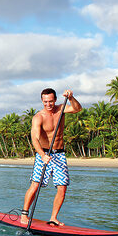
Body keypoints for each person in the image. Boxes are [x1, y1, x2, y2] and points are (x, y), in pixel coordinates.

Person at [21, 89, 82, 227]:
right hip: (43, 154)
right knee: (35, 185)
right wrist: (42, 156)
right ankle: (24, 214)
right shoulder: (38, 117)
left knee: (62, 188)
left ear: (55, 100)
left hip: (59, 154)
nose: (48, 104)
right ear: (42, 101)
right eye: (45, 101)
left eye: (51, 101)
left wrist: (71, 98)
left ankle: (53, 218)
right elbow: (35, 139)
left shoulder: (61, 109)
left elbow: (77, 109)